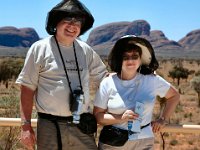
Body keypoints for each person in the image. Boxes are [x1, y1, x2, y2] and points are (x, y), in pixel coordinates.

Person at [16, 0, 107, 149]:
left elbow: (105, 79)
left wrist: (138, 75)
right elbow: (27, 88)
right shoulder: (40, 48)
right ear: (56, 23)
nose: (72, 26)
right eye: (67, 21)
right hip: (50, 126)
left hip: (81, 125)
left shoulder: (86, 50)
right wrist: (25, 126)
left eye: (77, 23)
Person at [93, 35, 180, 150]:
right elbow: (98, 116)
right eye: (125, 57)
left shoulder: (152, 80)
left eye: (135, 56)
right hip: (113, 143)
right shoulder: (108, 83)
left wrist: (162, 119)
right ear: (120, 59)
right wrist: (121, 117)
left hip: (144, 142)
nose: (130, 60)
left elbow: (174, 96)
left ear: (140, 60)